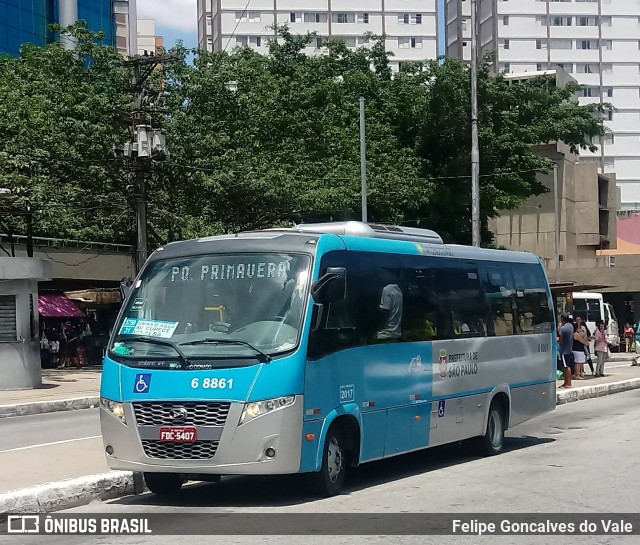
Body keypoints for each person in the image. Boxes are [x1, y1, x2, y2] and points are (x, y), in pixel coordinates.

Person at [558, 314, 574, 389]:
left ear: (562, 319)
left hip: (564, 350)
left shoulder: (562, 328)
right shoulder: (571, 326)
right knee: (568, 367)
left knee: (565, 367)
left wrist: (557, 339)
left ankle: (566, 383)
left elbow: (560, 340)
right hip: (569, 349)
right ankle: (569, 382)